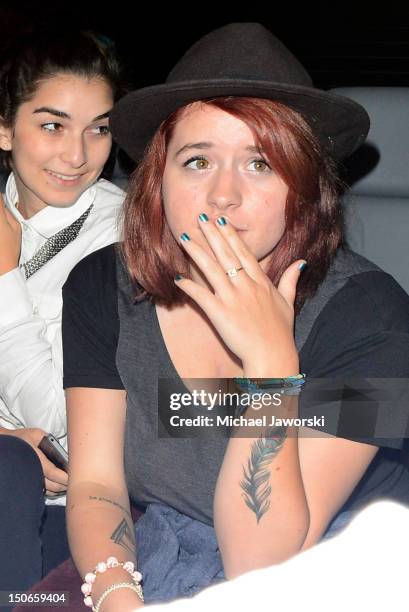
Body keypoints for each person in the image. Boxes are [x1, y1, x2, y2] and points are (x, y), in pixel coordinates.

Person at [62, 23, 409, 611]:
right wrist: (118, 598)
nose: (223, 195)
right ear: (157, 180)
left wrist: (271, 365)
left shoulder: (377, 320)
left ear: (305, 187)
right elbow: (96, 485)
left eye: (260, 164)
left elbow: (262, 565)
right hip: (151, 548)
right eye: (197, 161)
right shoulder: (100, 287)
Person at [0, 28, 125, 595]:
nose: (78, 156)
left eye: (98, 129)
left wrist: (5, 279)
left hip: (68, 515)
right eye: (53, 126)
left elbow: (69, 434)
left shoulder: (124, 237)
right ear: (5, 129)